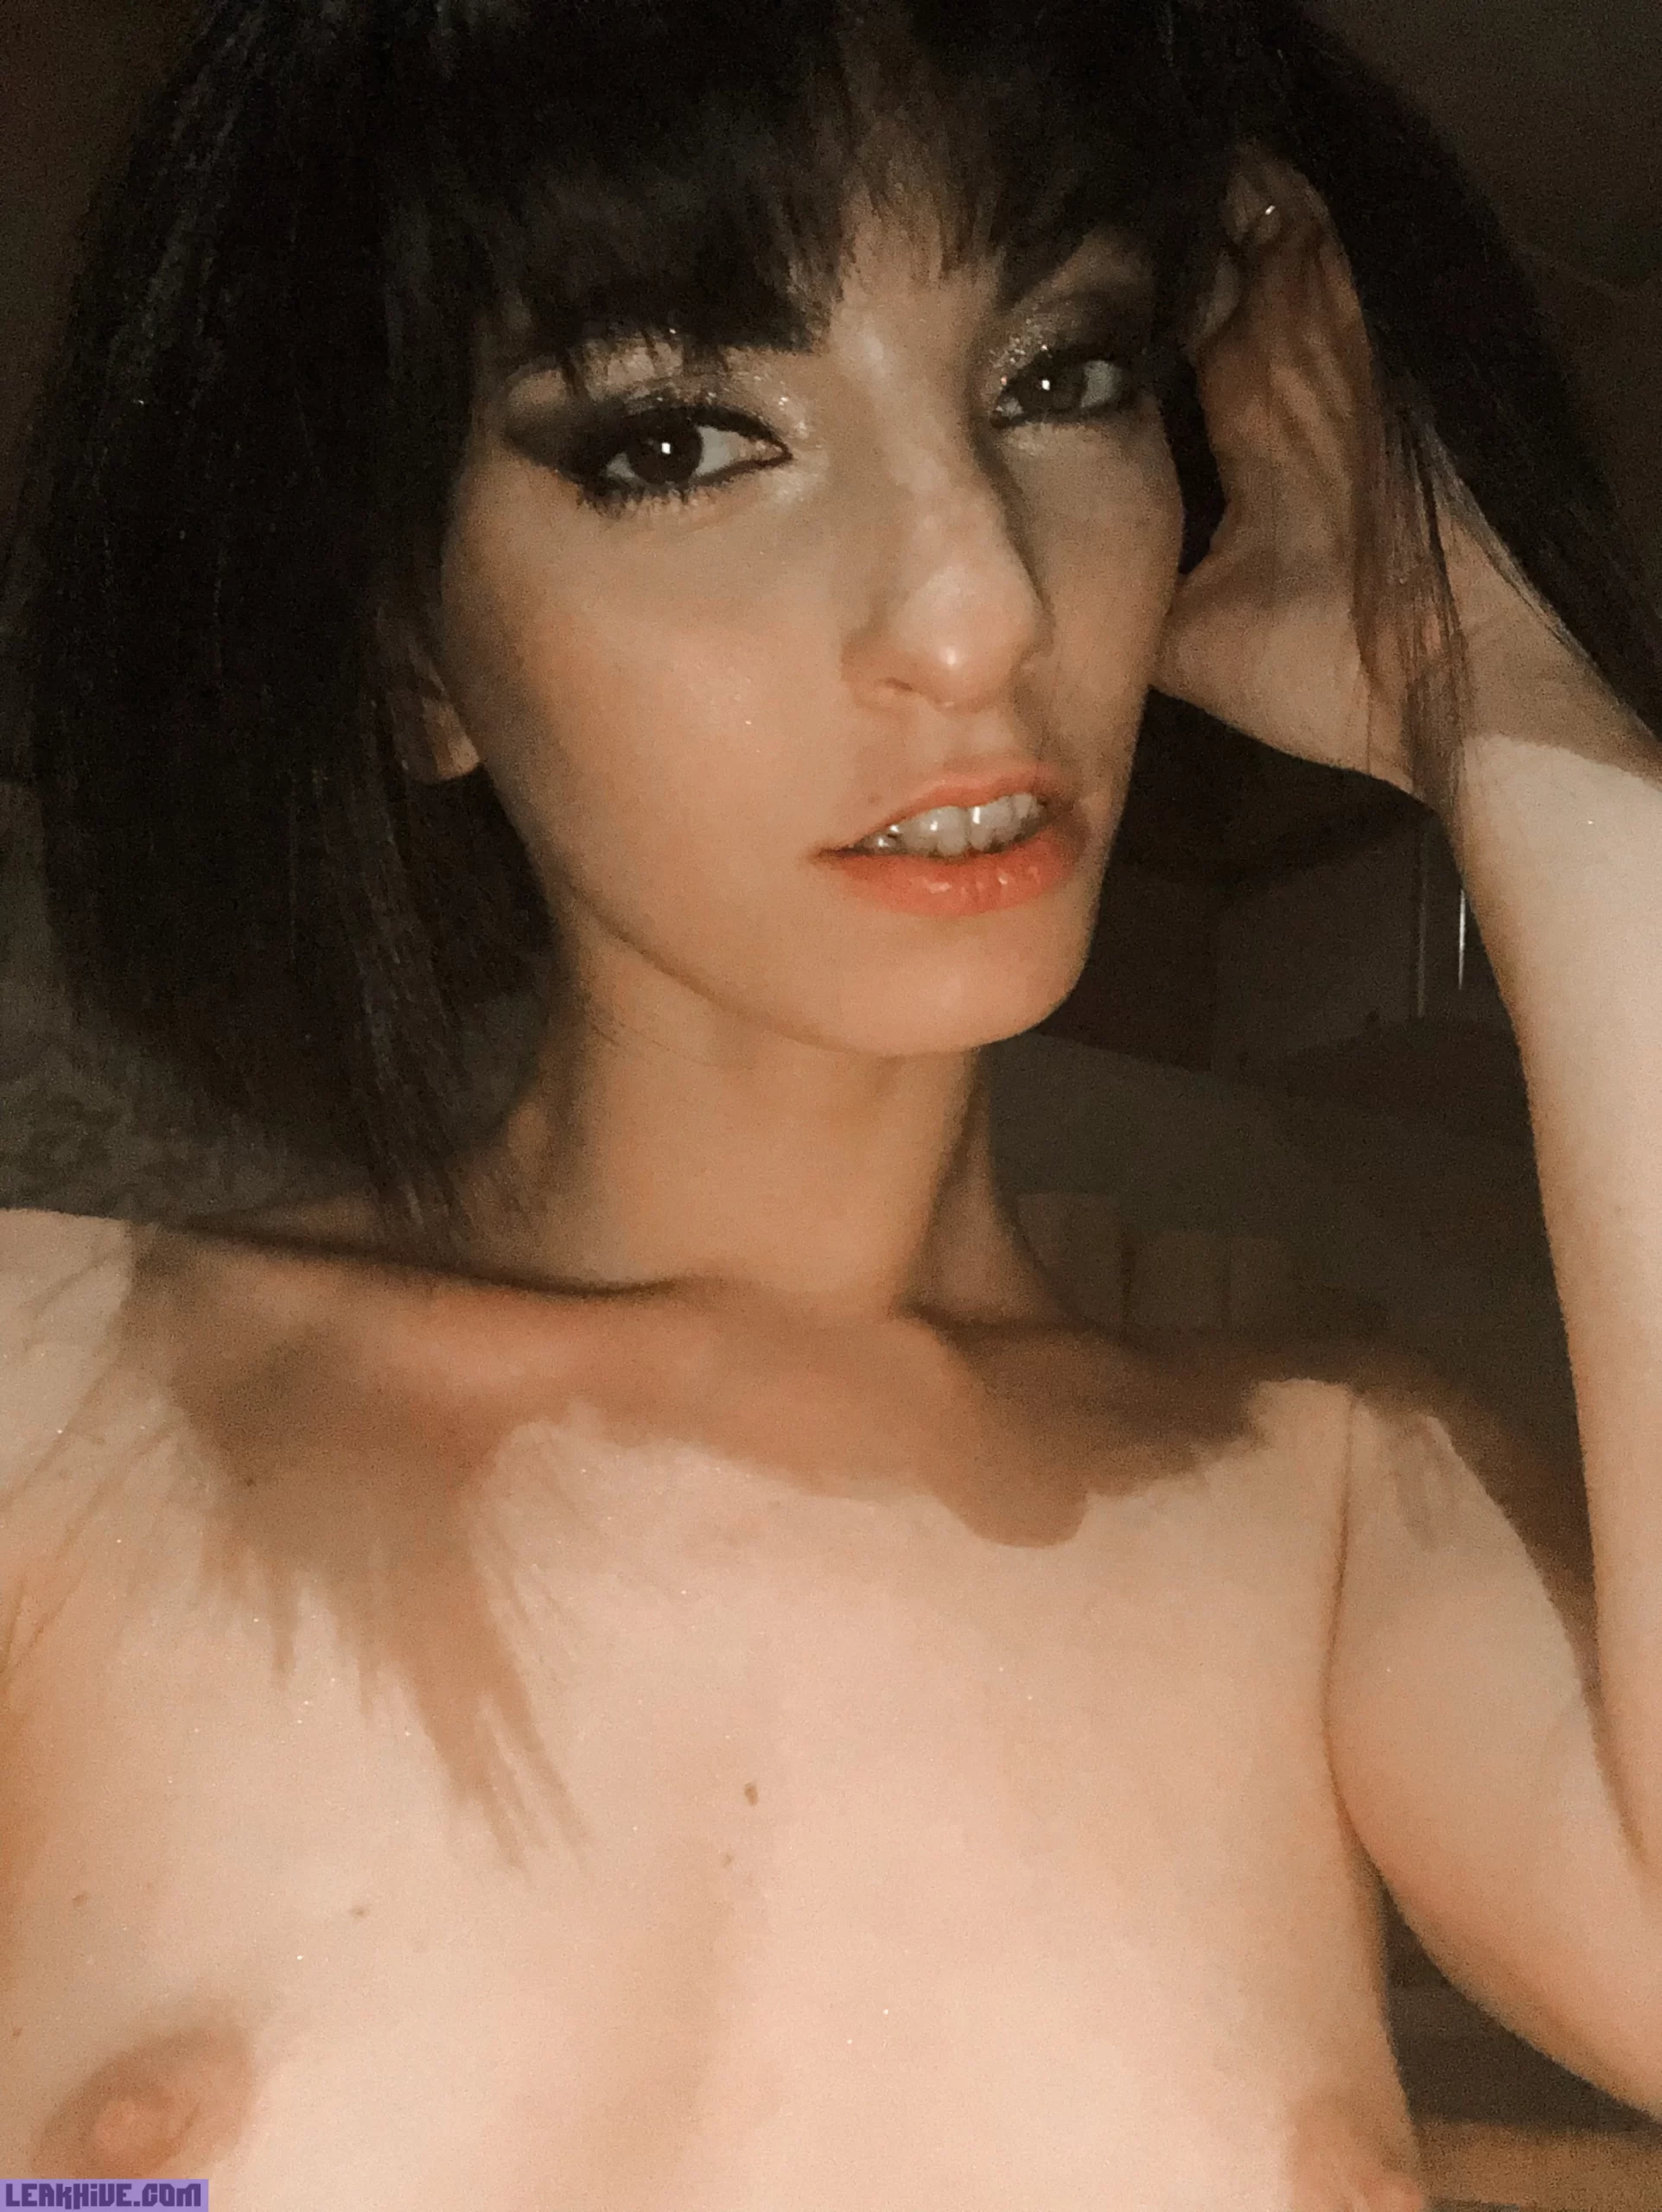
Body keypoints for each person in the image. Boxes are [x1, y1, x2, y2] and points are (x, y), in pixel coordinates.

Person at [2, 0, 1660, 2200]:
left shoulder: (1342, 1509)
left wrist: (1508, 701)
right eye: (684, 440)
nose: (977, 607)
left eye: (1058, 379)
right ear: (404, 645)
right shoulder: (43, 1398)